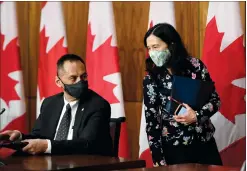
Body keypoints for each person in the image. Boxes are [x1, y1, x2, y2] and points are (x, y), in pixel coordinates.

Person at [0, 54, 113, 156]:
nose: (80, 82)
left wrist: (46, 146)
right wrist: (19, 137)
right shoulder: (50, 103)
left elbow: (86, 143)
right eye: (73, 78)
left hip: (84, 164)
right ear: (59, 82)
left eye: (83, 77)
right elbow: (39, 136)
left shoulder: (98, 105)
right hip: (49, 163)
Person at [143, 23, 222, 166]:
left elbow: (215, 100)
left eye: (156, 47)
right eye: (149, 48)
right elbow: (152, 124)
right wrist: (159, 162)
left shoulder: (196, 66)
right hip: (174, 149)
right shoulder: (151, 78)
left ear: (171, 45)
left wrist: (196, 116)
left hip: (204, 143)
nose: (152, 52)